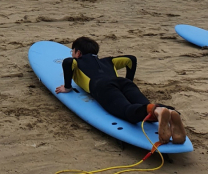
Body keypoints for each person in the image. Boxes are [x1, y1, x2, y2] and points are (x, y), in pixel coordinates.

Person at [55, 37, 186, 145]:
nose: (72, 54)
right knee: (142, 105)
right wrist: (129, 81)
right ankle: (168, 111)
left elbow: (67, 63)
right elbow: (131, 59)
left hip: (102, 86)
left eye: (72, 52)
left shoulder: (77, 62)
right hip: (124, 83)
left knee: (127, 111)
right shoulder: (108, 61)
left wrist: (67, 86)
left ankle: (156, 110)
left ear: (78, 53)